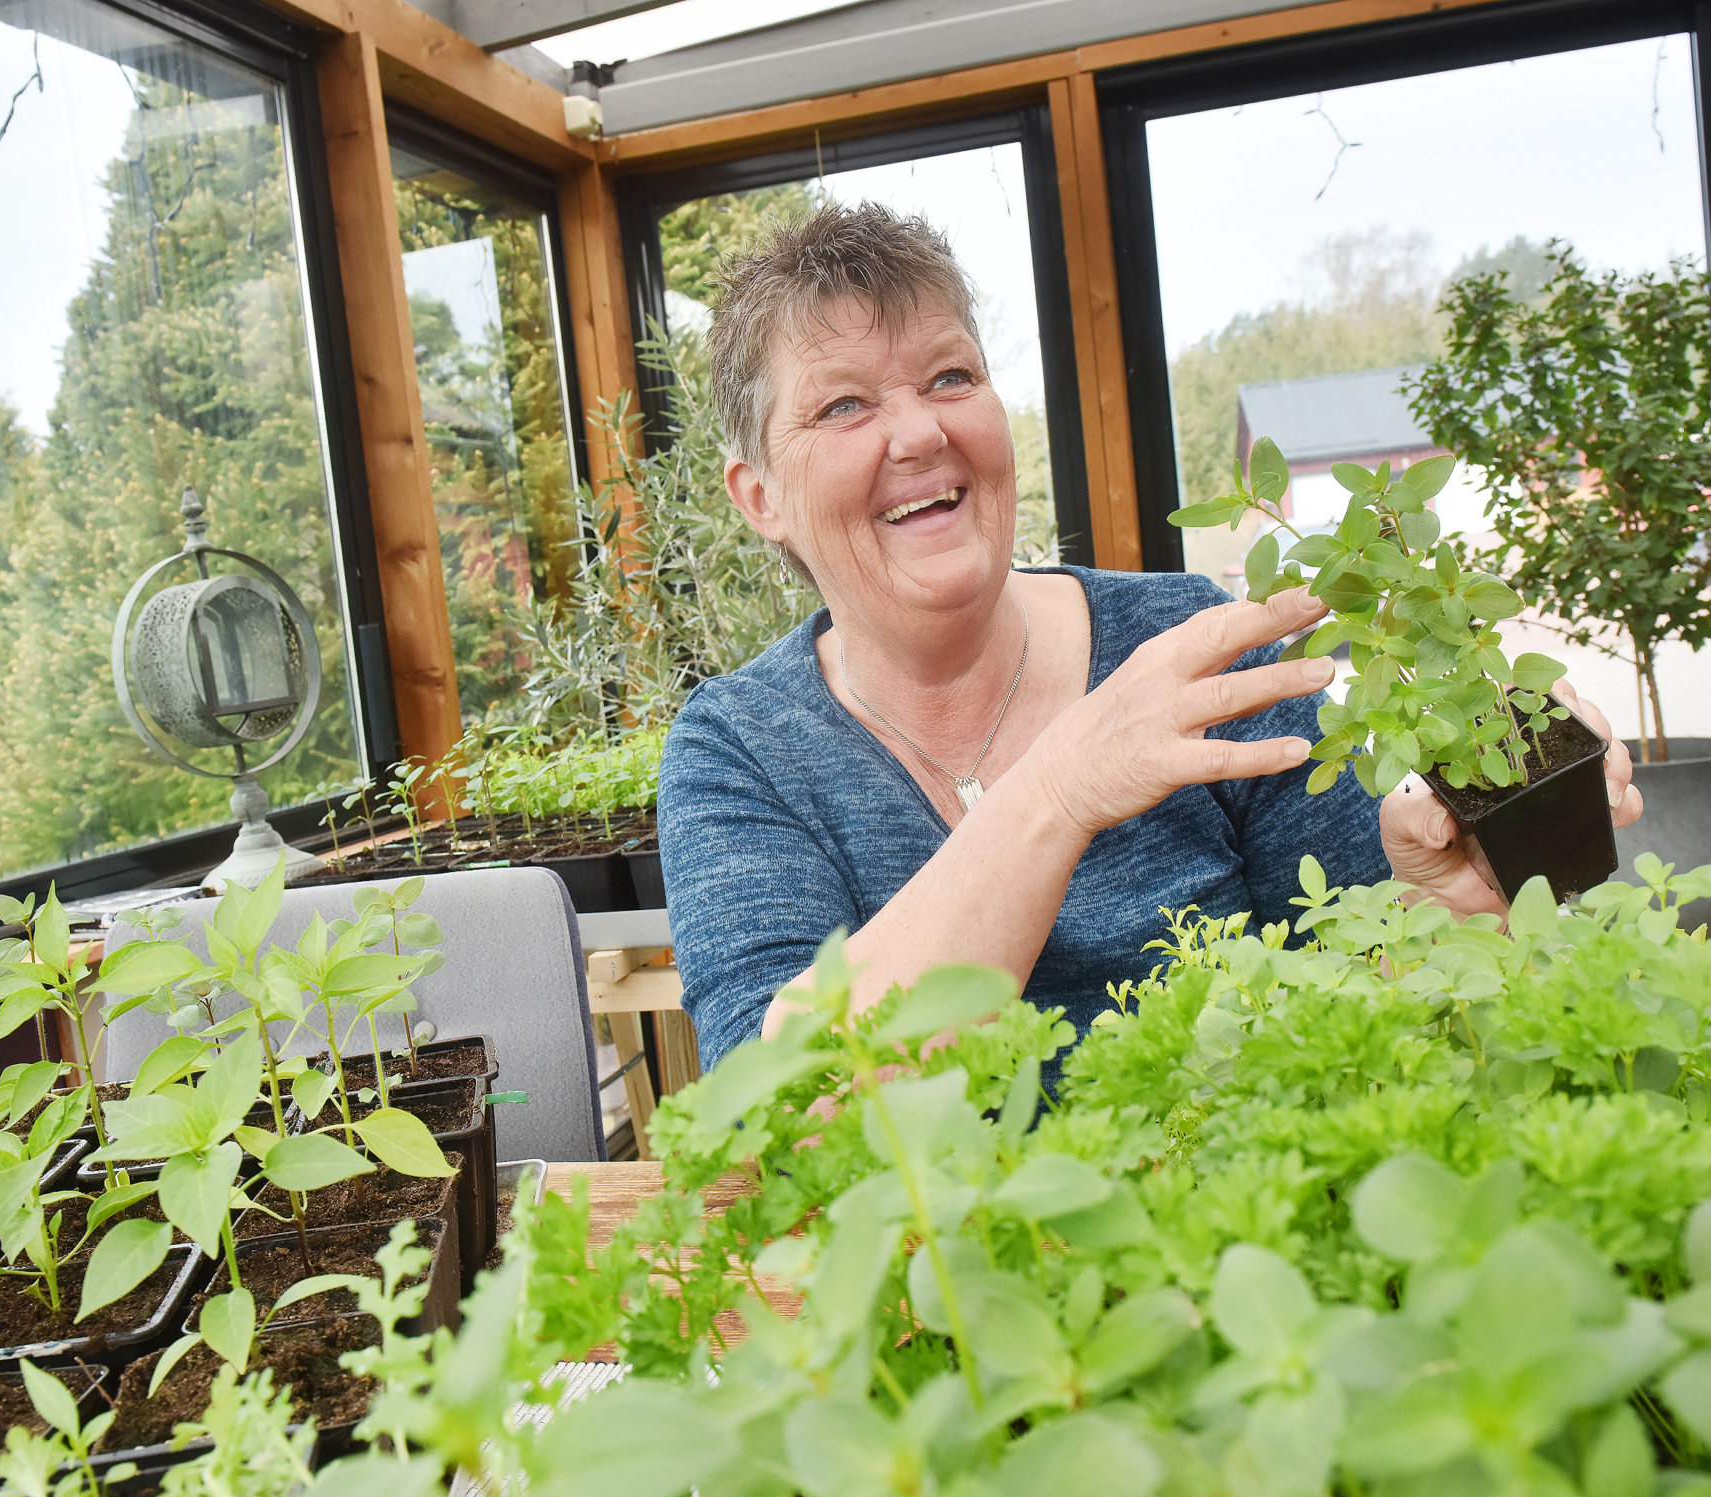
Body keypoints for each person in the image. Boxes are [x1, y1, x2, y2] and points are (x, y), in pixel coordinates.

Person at [659, 201, 1641, 1067]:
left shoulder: (1197, 646)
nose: (918, 434)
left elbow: (1367, 993)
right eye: (844, 404)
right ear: (761, 499)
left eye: (951, 376)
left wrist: (1436, 906)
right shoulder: (737, 749)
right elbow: (771, 1104)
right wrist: (1059, 790)